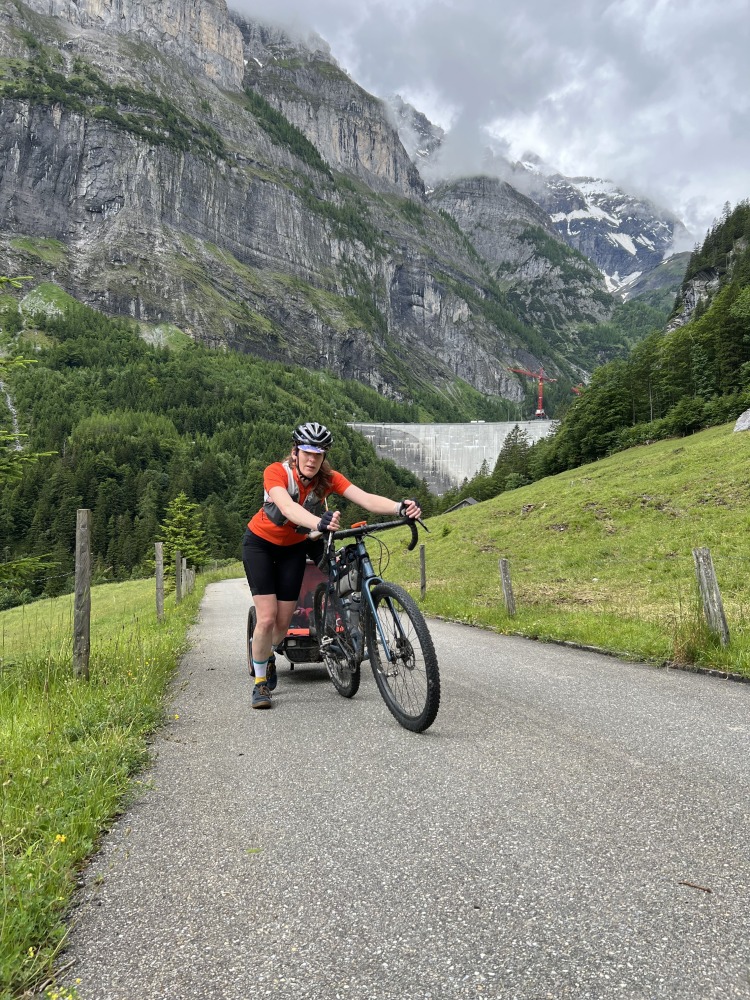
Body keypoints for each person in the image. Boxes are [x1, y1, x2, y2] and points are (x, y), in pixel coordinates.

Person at [243, 421, 421, 710]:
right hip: (260, 545)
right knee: (266, 618)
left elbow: (364, 498)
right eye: (307, 452)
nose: (312, 459)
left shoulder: (327, 479)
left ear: (324, 456)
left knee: (281, 626)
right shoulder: (276, 472)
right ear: (295, 452)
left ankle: (267, 651)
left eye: (319, 454)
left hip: (292, 549)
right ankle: (261, 681)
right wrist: (319, 522)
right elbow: (287, 508)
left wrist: (399, 506)